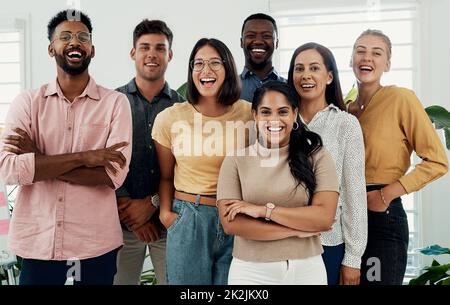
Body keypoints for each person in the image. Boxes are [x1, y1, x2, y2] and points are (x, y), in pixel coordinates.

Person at [0, 10, 132, 285]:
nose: (75, 42)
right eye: (65, 36)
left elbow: (111, 176)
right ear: (51, 48)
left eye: (83, 37)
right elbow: (9, 169)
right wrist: (86, 157)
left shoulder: (115, 104)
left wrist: (39, 159)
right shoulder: (27, 103)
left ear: (92, 50)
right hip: (39, 245)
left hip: (94, 246)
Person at [347, 29, 448, 285]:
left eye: (376, 53)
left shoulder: (401, 99)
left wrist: (386, 195)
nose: (366, 57)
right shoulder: (345, 109)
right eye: (360, 50)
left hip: (381, 216)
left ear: (387, 64)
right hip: (345, 217)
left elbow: (437, 161)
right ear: (350, 59)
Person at [216, 81, 339, 285]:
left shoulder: (317, 156)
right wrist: (296, 230)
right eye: (265, 112)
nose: (274, 120)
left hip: (307, 269)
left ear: (294, 114)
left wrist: (263, 211)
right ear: (255, 116)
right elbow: (232, 223)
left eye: (282, 112)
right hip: (250, 271)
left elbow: (324, 217)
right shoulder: (236, 160)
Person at [152, 38, 253, 285]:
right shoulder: (170, 118)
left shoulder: (250, 114)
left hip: (237, 216)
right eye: (198, 64)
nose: (205, 71)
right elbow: (165, 176)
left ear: (228, 68)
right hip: (189, 217)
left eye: (214, 63)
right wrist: (166, 214)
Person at [287, 43, 367, 285]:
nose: (306, 75)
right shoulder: (279, 121)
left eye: (314, 68)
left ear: (329, 76)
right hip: (282, 241)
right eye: (299, 69)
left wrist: (353, 258)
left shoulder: (346, 125)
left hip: (328, 244)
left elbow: (354, 193)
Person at [113, 19, 184, 286]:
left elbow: (187, 167)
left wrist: (152, 203)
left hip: (168, 225)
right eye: (144, 47)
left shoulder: (183, 108)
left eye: (159, 48)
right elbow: (104, 161)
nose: (151, 54)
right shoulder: (113, 103)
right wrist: (131, 214)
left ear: (170, 55)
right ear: (133, 53)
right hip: (121, 224)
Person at [240, 13, 286, 102]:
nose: (258, 41)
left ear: (276, 43)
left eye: (266, 36)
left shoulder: (290, 87)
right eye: (251, 36)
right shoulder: (228, 87)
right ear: (241, 42)